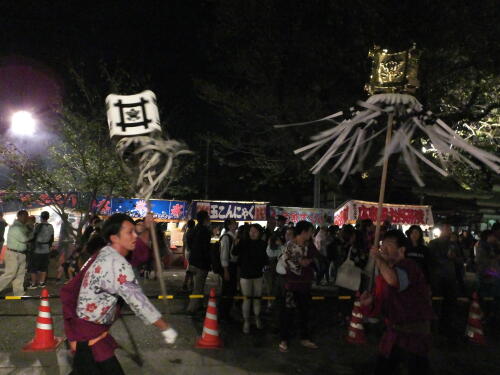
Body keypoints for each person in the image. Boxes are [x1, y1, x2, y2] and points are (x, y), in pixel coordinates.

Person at [63, 213, 177, 374]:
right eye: (130, 232)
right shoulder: (116, 264)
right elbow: (139, 302)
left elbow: (140, 252)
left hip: (90, 333)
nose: (134, 236)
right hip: (88, 337)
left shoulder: (107, 252)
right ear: (114, 238)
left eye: (134, 232)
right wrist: (165, 327)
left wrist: (146, 228)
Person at [360, 230, 433, 375]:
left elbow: (395, 281)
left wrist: (379, 260)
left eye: (389, 245)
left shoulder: (409, 266)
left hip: (413, 335)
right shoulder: (384, 274)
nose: (383, 249)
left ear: (402, 250)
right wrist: (369, 302)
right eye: (382, 244)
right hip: (393, 334)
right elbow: (379, 303)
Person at [279, 220, 320, 352]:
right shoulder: (290, 246)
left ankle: (304, 337)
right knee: (288, 313)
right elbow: (287, 262)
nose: (311, 235)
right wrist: (301, 263)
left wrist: (307, 261)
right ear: (303, 232)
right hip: (291, 285)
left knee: (305, 312)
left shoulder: (310, 245)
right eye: (310, 232)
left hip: (305, 285)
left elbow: (314, 257)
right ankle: (284, 339)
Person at [233, 224, 268, 333]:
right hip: (245, 275)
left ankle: (257, 319)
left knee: (257, 298)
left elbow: (265, 259)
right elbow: (234, 253)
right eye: (251, 231)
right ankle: (246, 322)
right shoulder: (243, 242)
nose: (252, 233)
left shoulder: (263, 244)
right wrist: (236, 244)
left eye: (255, 231)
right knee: (246, 299)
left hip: (258, 275)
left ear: (259, 233)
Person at [428, 223, 459, 337]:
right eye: (446, 229)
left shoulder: (454, 244)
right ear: (441, 231)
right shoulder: (434, 243)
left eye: (450, 229)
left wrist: (455, 258)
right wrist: (447, 257)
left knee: (449, 303)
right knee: (436, 303)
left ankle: (446, 327)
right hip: (438, 277)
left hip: (450, 277)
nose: (448, 231)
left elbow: (460, 259)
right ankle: (435, 327)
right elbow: (432, 259)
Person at [186, 210, 212, 313]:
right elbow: (205, 249)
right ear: (205, 219)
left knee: (197, 285)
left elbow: (190, 243)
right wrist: (209, 261)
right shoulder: (205, 231)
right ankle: (191, 308)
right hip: (201, 263)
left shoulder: (193, 230)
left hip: (193, 261)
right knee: (198, 287)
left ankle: (199, 304)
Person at [0, 210, 29, 296]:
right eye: (24, 216)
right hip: (12, 253)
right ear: (19, 216)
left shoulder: (23, 226)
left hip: (21, 253)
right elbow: (24, 239)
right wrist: (31, 234)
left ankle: (19, 293)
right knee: (10, 274)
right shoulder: (15, 227)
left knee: (20, 274)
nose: (26, 218)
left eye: (26, 216)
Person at [218, 218, 238, 321]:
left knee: (231, 290)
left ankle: (226, 313)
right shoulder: (226, 237)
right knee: (227, 290)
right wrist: (225, 270)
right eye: (234, 223)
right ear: (229, 226)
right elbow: (224, 255)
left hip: (233, 266)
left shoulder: (234, 236)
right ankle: (223, 314)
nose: (236, 224)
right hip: (228, 267)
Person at [28, 211, 54, 289]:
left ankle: (33, 284)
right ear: (48, 217)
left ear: (41, 217)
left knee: (33, 267)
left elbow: (32, 237)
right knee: (44, 267)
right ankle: (42, 283)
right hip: (46, 250)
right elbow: (51, 238)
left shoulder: (38, 226)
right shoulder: (51, 226)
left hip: (37, 249)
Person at [265, 233, 285, 311]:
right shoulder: (268, 248)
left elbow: (284, 252)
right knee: (270, 287)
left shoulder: (281, 247)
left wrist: (281, 245)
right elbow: (270, 254)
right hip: (270, 270)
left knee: (277, 287)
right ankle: (270, 304)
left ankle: (275, 304)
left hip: (278, 270)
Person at [181, 219, 195, 291]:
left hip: (187, 251)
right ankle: (185, 283)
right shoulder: (194, 232)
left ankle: (191, 282)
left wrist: (183, 253)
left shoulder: (186, 233)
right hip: (191, 252)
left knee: (190, 267)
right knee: (189, 268)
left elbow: (184, 244)